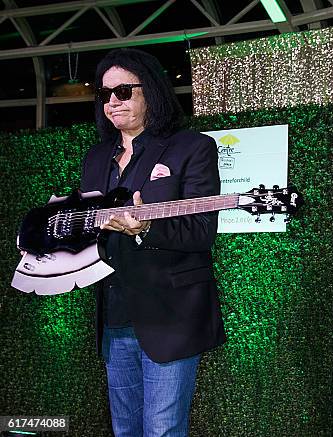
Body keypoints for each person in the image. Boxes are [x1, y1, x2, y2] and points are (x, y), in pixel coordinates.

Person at [80, 48, 225, 437]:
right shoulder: (96, 158)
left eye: (124, 91)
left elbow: (201, 231)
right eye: (105, 93)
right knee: (124, 428)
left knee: (162, 429)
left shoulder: (192, 147)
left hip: (170, 315)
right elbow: (92, 232)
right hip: (114, 316)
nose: (113, 101)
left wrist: (144, 228)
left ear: (152, 91)